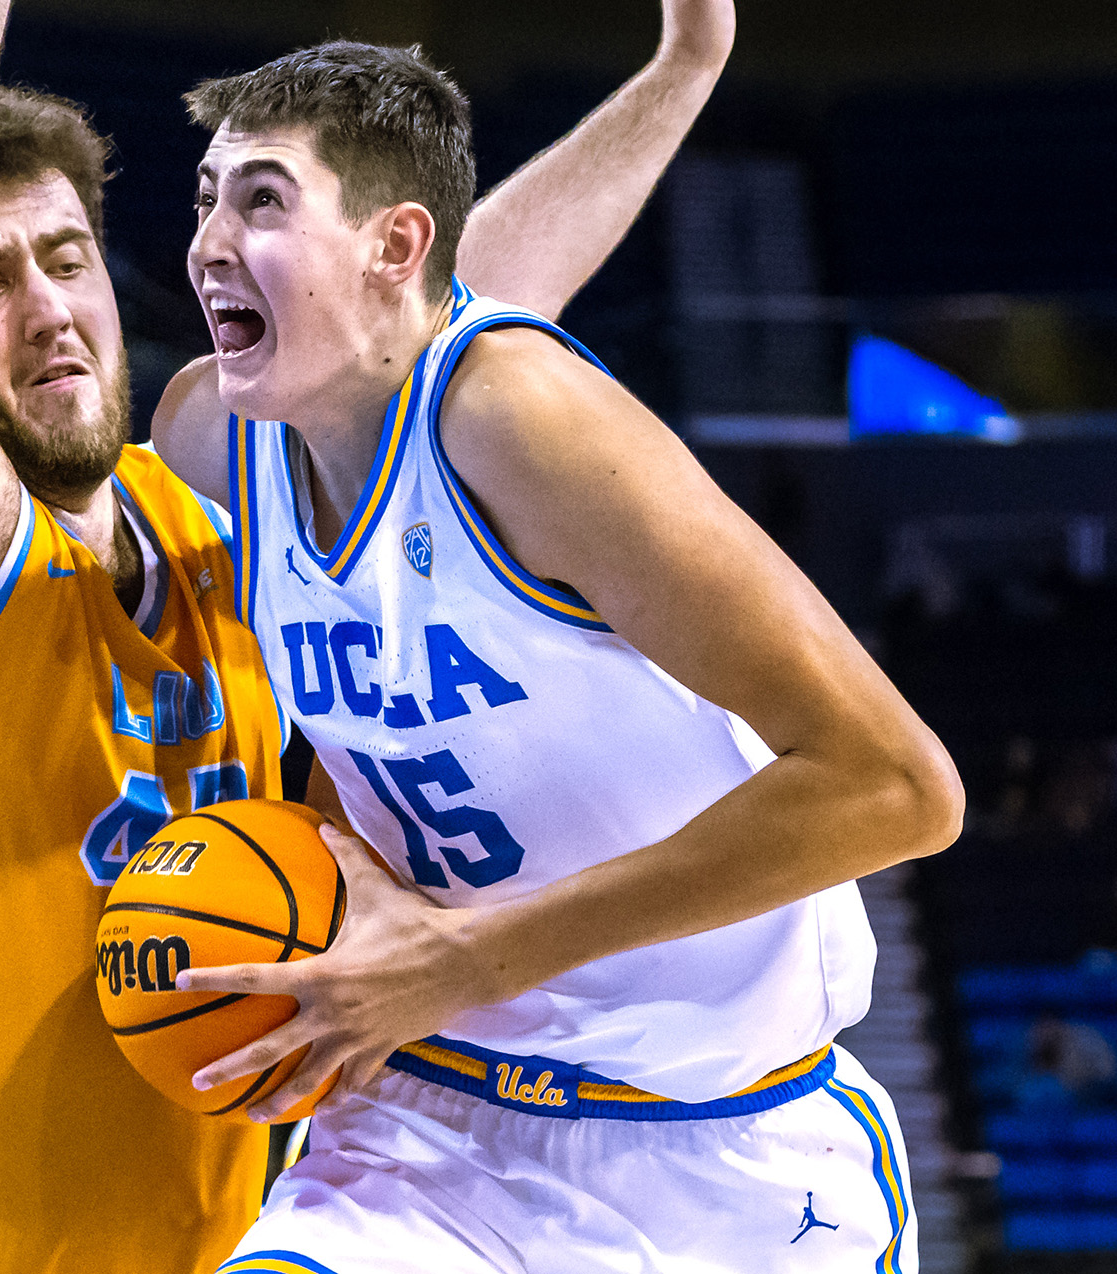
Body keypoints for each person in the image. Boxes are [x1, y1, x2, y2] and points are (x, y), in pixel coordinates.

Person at [0, 0, 732, 1266]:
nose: (47, 309)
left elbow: (415, 323)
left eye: (65, 257)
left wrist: (683, 67)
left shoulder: (223, 520)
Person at [153, 36, 962, 1274]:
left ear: (395, 247)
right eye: (205, 195)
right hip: (431, 1124)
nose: (210, 236)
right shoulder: (218, 435)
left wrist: (467, 955)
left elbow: (899, 788)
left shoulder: (523, 421)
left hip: (726, 1145)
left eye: (262, 197)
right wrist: (328, 877)